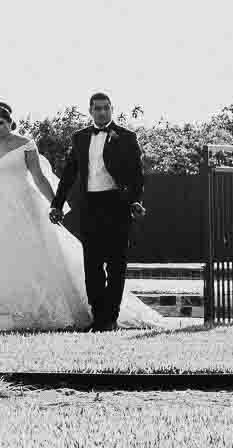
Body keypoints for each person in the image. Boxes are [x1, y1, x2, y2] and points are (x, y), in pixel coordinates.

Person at [0, 100, 162, 332]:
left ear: (11, 122)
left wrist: (54, 205)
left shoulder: (26, 145)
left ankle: (101, 317)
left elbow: (39, 178)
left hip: (26, 207)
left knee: (24, 257)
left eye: (1, 123)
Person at [49, 91, 147, 332]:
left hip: (117, 204)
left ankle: (110, 318)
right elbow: (70, 174)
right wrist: (57, 204)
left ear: (112, 109)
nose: (102, 112)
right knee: (92, 265)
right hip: (90, 205)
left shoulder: (127, 137)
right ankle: (98, 316)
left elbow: (137, 176)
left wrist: (135, 200)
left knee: (116, 264)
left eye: (106, 108)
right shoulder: (80, 138)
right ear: (90, 111)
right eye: (97, 108)